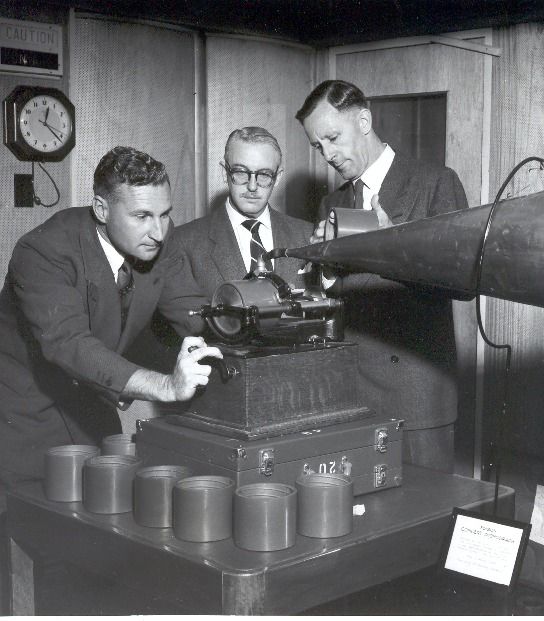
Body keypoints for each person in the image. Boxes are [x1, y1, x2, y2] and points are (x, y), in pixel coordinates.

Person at [0, 146, 221, 508]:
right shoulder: (43, 251)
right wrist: (166, 385)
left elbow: (195, 314)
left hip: (91, 417)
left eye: (165, 214)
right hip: (27, 425)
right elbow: (70, 344)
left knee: (99, 542)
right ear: (102, 209)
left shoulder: (157, 243)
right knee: (38, 543)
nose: (159, 232)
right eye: (142, 216)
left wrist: (255, 323)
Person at [295, 80, 468, 472]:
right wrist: (323, 271)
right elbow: (334, 297)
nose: (328, 155)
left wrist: (391, 248)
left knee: (425, 515)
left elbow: (464, 283)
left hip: (417, 395)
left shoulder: (435, 183)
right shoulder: (332, 202)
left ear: (364, 120)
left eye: (333, 138)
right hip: (352, 393)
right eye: (318, 146)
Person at [170, 126, 312, 295]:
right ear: (225, 173)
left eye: (264, 175)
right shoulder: (185, 242)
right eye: (241, 172)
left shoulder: (308, 235)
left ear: (277, 177)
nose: (252, 186)